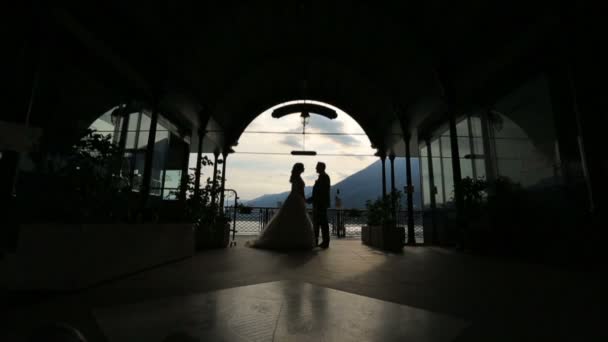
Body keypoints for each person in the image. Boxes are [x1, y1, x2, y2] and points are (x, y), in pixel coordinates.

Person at [247, 163, 315, 250]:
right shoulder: (298, 178)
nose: (304, 168)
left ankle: (288, 240)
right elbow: (300, 191)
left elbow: (295, 190)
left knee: (289, 219)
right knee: (298, 219)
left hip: (293, 198)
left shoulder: (295, 178)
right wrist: (304, 200)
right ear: (299, 169)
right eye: (302, 167)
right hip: (298, 199)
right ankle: (298, 241)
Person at [307, 162, 331, 248]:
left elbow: (320, 193)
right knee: (320, 223)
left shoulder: (324, 177)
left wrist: (309, 200)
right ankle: (321, 241)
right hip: (320, 204)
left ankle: (322, 242)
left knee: (321, 223)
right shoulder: (323, 177)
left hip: (320, 204)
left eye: (317, 167)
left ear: (321, 168)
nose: (315, 168)